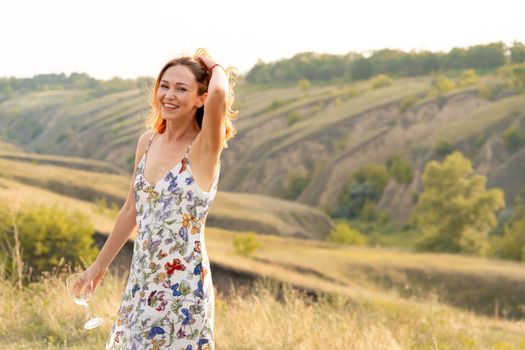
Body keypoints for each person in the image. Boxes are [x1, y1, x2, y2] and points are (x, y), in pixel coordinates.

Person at [75, 48, 238, 349]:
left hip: (183, 288)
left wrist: (212, 64)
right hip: (142, 280)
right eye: (164, 85)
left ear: (200, 98)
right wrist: (97, 268)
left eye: (181, 88)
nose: (169, 95)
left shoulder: (205, 148)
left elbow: (219, 94)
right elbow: (130, 212)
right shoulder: (147, 142)